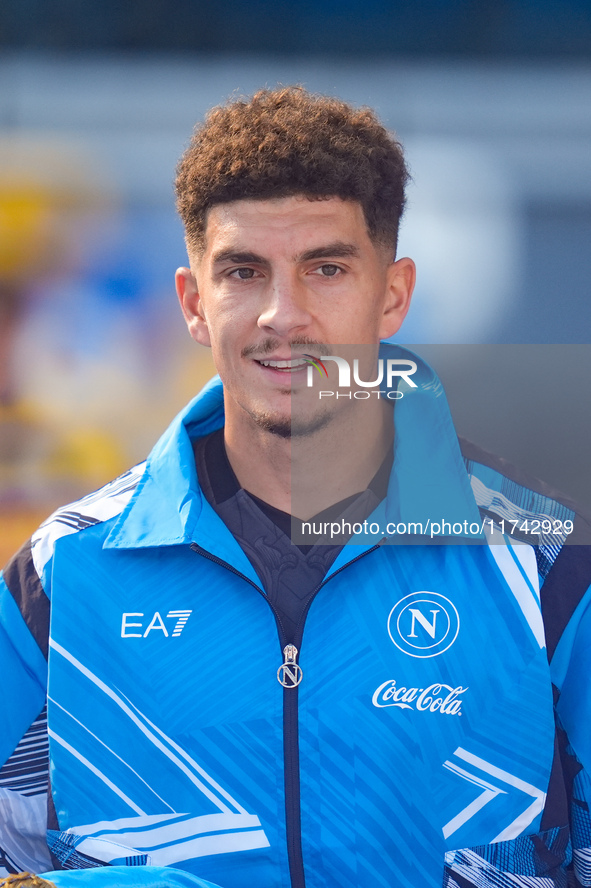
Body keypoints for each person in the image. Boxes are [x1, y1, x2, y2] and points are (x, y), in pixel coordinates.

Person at [1, 87, 590, 888]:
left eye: (326, 268)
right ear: (193, 303)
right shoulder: (64, 576)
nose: (285, 314)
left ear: (392, 292)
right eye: (243, 272)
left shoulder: (549, 569)